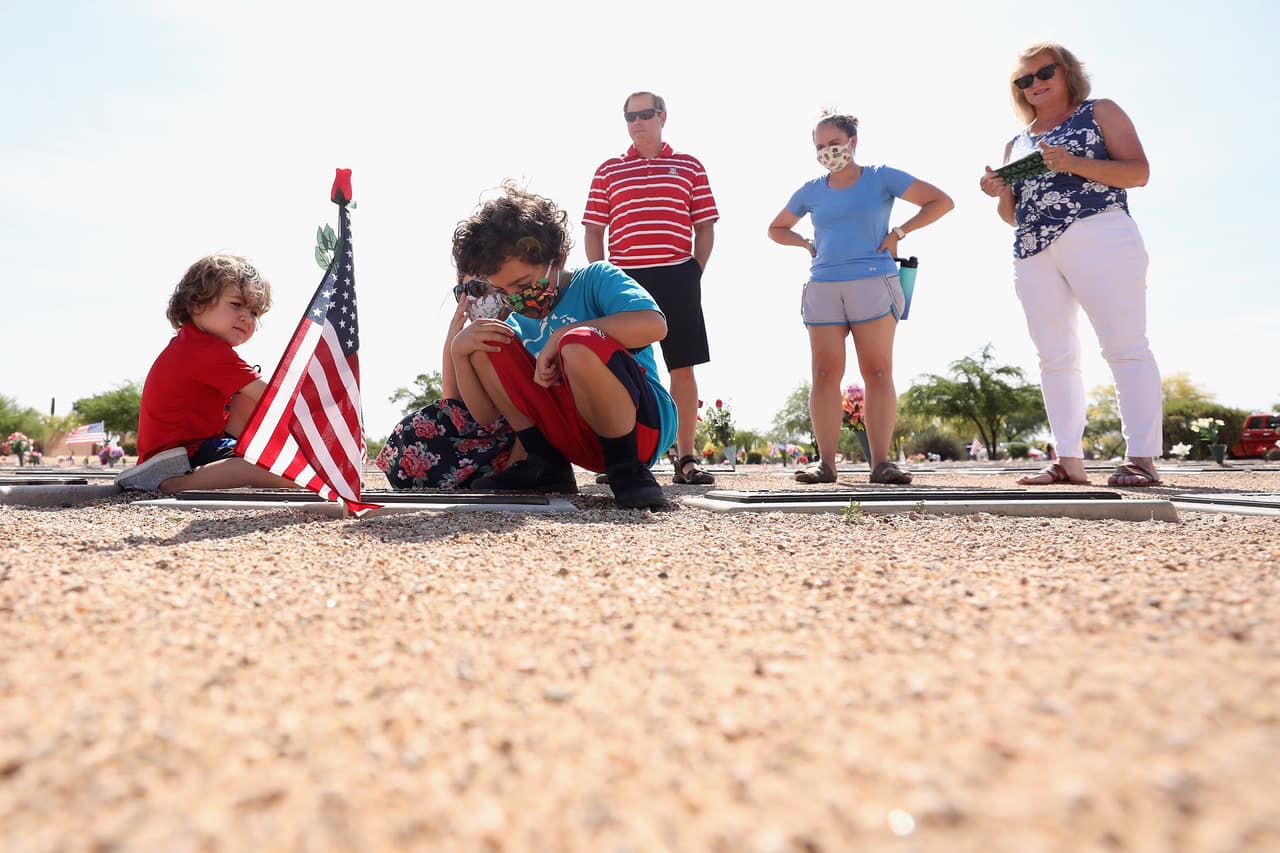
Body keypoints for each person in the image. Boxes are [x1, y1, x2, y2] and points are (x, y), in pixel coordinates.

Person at [979, 42, 1163, 487]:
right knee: (1053, 357)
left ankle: (1141, 458)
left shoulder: (1099, 112)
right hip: (1033, 249)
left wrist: (1074, 163)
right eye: (1024, 80)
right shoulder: (1017, 142)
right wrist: (999, 190)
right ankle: (1068, 460)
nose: (1035, 84)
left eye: (1044, 73)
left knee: (1124, 344)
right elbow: (1012, 215)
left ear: (1065, 73)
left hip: (1099, 231)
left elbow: (1138, 173)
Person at [450, 181, 677, 509]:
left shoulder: (596, 279)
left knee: (576, 344)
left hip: (640, 428)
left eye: (524, 284)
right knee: (489, 340)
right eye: (502, 290)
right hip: (575, 436)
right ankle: (546, 464)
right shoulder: (515, 321)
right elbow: (486, 415)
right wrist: (461, 353)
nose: (514, 298)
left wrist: (561, 336)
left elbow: (654, 325)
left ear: (557, 259)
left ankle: (627, 470)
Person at [768, 111, 954, 485]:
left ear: (853, 142)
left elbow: (940, 201)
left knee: (878, 371)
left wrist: (900, 231)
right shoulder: (810, 190)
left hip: (874, 281)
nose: (826, 152)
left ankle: (881, 463)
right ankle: (826, 465)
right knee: (823, 374)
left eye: (833, 144)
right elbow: (776, 228)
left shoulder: (881, 177)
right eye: (819, 146)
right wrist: (805, 243)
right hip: (823, 287)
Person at [582, 91, 718, 485]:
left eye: (645, 114)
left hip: (678, 274)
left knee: (683, 367)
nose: (637, 122)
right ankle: (625, 457)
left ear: (662, 116)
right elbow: (594, 228)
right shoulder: (608, 170)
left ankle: (686, 458)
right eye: (630, 116)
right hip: (625, 282)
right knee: (622, 369)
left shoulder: (689, 166)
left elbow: (705, 225)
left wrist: (695, 269)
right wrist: (601, 276)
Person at [116, 255, 300, 494]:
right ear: (196, 304)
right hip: (179, 456)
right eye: (236, 304)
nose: (247, 317)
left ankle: (237, 459)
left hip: (189, 446)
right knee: (289, 471)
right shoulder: (205, 350)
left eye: (254, 312)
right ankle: (176, 483)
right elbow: (274, 398)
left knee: (245, 394)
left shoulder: (194, 343)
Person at [375, 274, 519, 489]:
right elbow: (451, 402)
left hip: (516, 434)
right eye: (461, 292)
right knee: (412, 429)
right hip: (481, 432)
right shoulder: (468, 342)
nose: (470, 299)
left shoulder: (522, 328)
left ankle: (517, 471)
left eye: (477, 288)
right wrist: (455, 333)